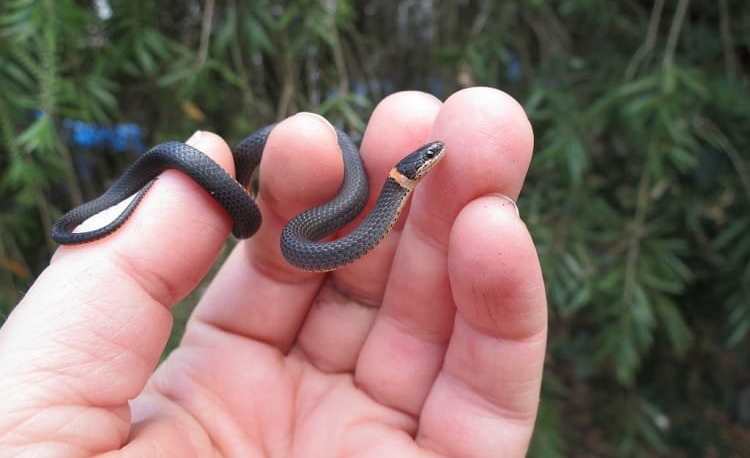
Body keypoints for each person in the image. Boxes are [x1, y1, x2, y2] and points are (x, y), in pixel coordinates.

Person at [0, 87, 546, 457]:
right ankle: (139, 195)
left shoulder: (373, 199)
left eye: (425, 158)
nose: (431, 159)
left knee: (317, 162)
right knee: (247, 160)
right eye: (425, 160)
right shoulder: (340, 216)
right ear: (413, 172)